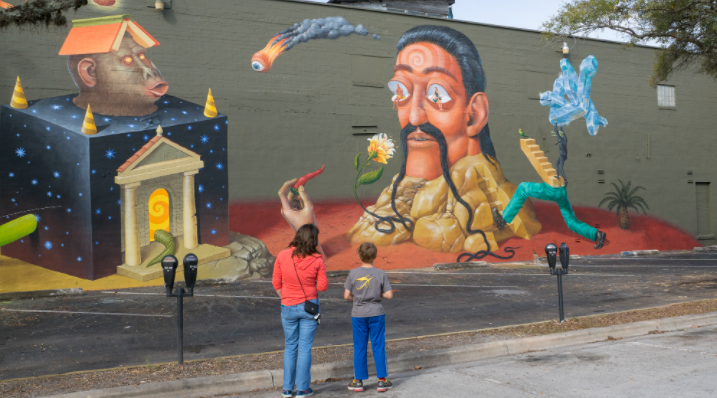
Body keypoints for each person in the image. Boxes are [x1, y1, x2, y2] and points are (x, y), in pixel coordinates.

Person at [348, 25, 542, 254]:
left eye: (437, 94)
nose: (414, 116)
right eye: (401, 90)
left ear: (475, 115)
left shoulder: (488, 194)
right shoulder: (397, 194)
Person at [272, 224, 328, 397]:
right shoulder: (317, 259)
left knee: (290, 346)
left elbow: (276, 282)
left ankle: (287, 389)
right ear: (313, 240)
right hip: (309, 307)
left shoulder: (282, 255)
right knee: (305, 348)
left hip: (287, 305)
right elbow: (323, 287)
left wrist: (285, 297)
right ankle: (303, 389)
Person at [344, 242, 394, 393]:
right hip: (376, 313)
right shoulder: (380, 273)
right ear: (375, 255)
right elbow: (389, 295)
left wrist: (359, 299)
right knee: (378, 345)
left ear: (359, 255)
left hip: (358, 314)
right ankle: (382, 380)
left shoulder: (353, 273)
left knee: (359, 346)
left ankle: (358, 380)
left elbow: (346, 296)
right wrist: (375, 295)